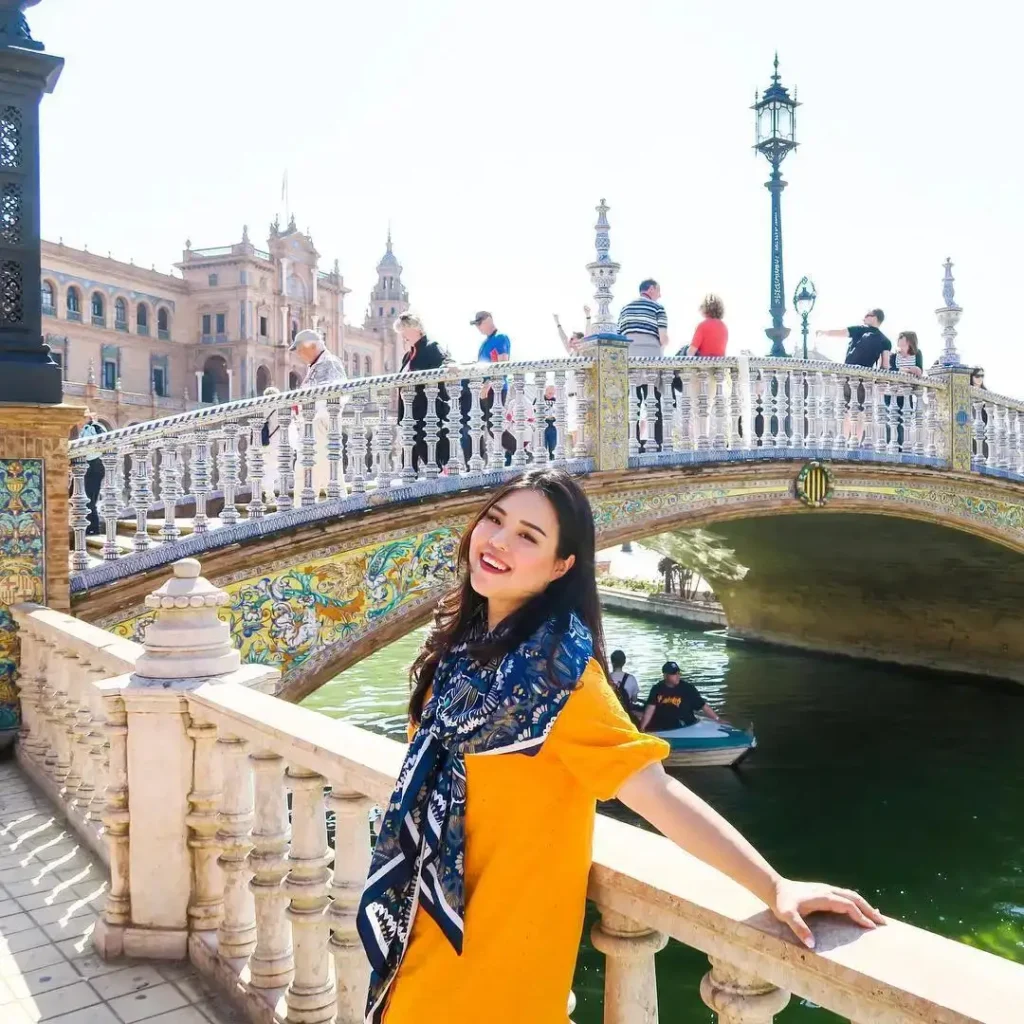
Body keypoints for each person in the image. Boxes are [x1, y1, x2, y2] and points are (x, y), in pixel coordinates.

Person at [356, 468, 885, 1023]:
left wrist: (774, 887)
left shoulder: (561, 683)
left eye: (528, 536)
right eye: (495, 520)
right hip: (418, 932)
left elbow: (656, 793)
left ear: (562, 566)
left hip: (493, 959)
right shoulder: (458, 654)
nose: (499, 541)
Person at [290, 329, 347, 499]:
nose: (299, 354)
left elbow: (338, 395)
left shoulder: (329, 363)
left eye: (300, 349)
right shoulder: (317, 364)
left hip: (321, 427)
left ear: (312, 346)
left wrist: (305, 408)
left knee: (319, 474)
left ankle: (305, 512)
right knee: (310, 474)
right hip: (313, 427)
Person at [396, 313, 451, 473]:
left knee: (427, 452)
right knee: (409, 456)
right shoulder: (408, 356)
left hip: (426, 412)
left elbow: (446, 362)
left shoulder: (431, 347)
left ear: (416, 329)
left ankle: (441, 478)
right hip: (409, 414)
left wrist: (449, 365)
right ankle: (409, 484)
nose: (402, 335)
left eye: (404, 330)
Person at [618, 279, 669, 451]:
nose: (660, 295)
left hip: (630, 359)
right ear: (651, 289)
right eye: (659, 290)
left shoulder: (625, 308)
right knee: (653, 402)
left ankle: (633, 443)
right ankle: (657, 442)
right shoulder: (658, 308)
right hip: (651, 358)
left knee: (633, 403)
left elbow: (619, 336)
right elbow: (663, 338)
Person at [468, 311, 515, 465]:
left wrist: (487, 385)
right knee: (481, 425)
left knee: (494, 426)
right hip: (485, 390)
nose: (478, 327)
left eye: (479, 323)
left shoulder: (500, 338)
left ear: (489, 320)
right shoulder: (485, 342)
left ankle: (520, 451)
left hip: (496, 388)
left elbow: (502, 365)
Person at [640, 661, 720, 732]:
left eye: (678, 673)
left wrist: (717, 719)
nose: (677, 676)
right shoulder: (657, 689)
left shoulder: (688, 688)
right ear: (665, 675)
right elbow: (650, 709)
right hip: (663, 726)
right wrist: (642, 728)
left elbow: (703, 706)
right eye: (674, 674)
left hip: (685, 725)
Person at [817, 309, 891, 370]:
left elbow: (840, 332)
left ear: (874, 318)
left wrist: (823, 332)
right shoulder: (885, 341)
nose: (864, 318)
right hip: (866, 375)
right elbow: (885, 365)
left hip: (849, 371)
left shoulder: (859, 329)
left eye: (867, 315)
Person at [78, 410, 106, 535]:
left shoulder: (97, 427)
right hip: (88, 465)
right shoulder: (85, 429)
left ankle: (94, 528)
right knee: (87, 498)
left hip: (95, 465)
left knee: (91, 498)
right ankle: (91, 527)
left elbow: (104, 442)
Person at [608, 648, 639, 713]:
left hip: (610, 712)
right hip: (625, 713)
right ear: (624, 662)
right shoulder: (631, 679)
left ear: (612, 662)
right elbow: (634, 699)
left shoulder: (605, 678)